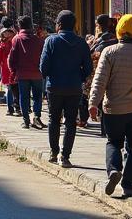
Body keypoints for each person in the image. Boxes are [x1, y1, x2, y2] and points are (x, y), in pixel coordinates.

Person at [88, 13, 132, 200]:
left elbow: (100, 80)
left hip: (113, 108)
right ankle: (128, 184)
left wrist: (93, 103)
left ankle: (113, 170)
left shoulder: (110, 52)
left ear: (119, 30)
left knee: (113, 142)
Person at [40, 10, 93, 168]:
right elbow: (88, 67)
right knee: (70, 122)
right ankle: (65, 156)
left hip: (54, 87)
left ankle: (54, 152)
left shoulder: (51, 41)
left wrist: (51, 76)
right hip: (74, 87)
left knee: (53, 119)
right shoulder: (81, 42)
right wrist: (80, 77)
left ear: (59, 25)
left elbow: (43, 67)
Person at [7, 15, 45, 130]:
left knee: (24, 97)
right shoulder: (38, 40)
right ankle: (37, 116)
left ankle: (26, 120)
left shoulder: (16, 39)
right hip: (37, 74)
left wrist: (13, 71)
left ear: (19, 26)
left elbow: (12, 58)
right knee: (38, 96)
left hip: (22, 74)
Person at [0, 24, 17, 115]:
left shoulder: (2, 44)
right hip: (12, 68)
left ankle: (10, 108)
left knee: (10, 89)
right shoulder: (14, 43)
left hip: (6, 68)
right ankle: (13, 107)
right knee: (13, 88)